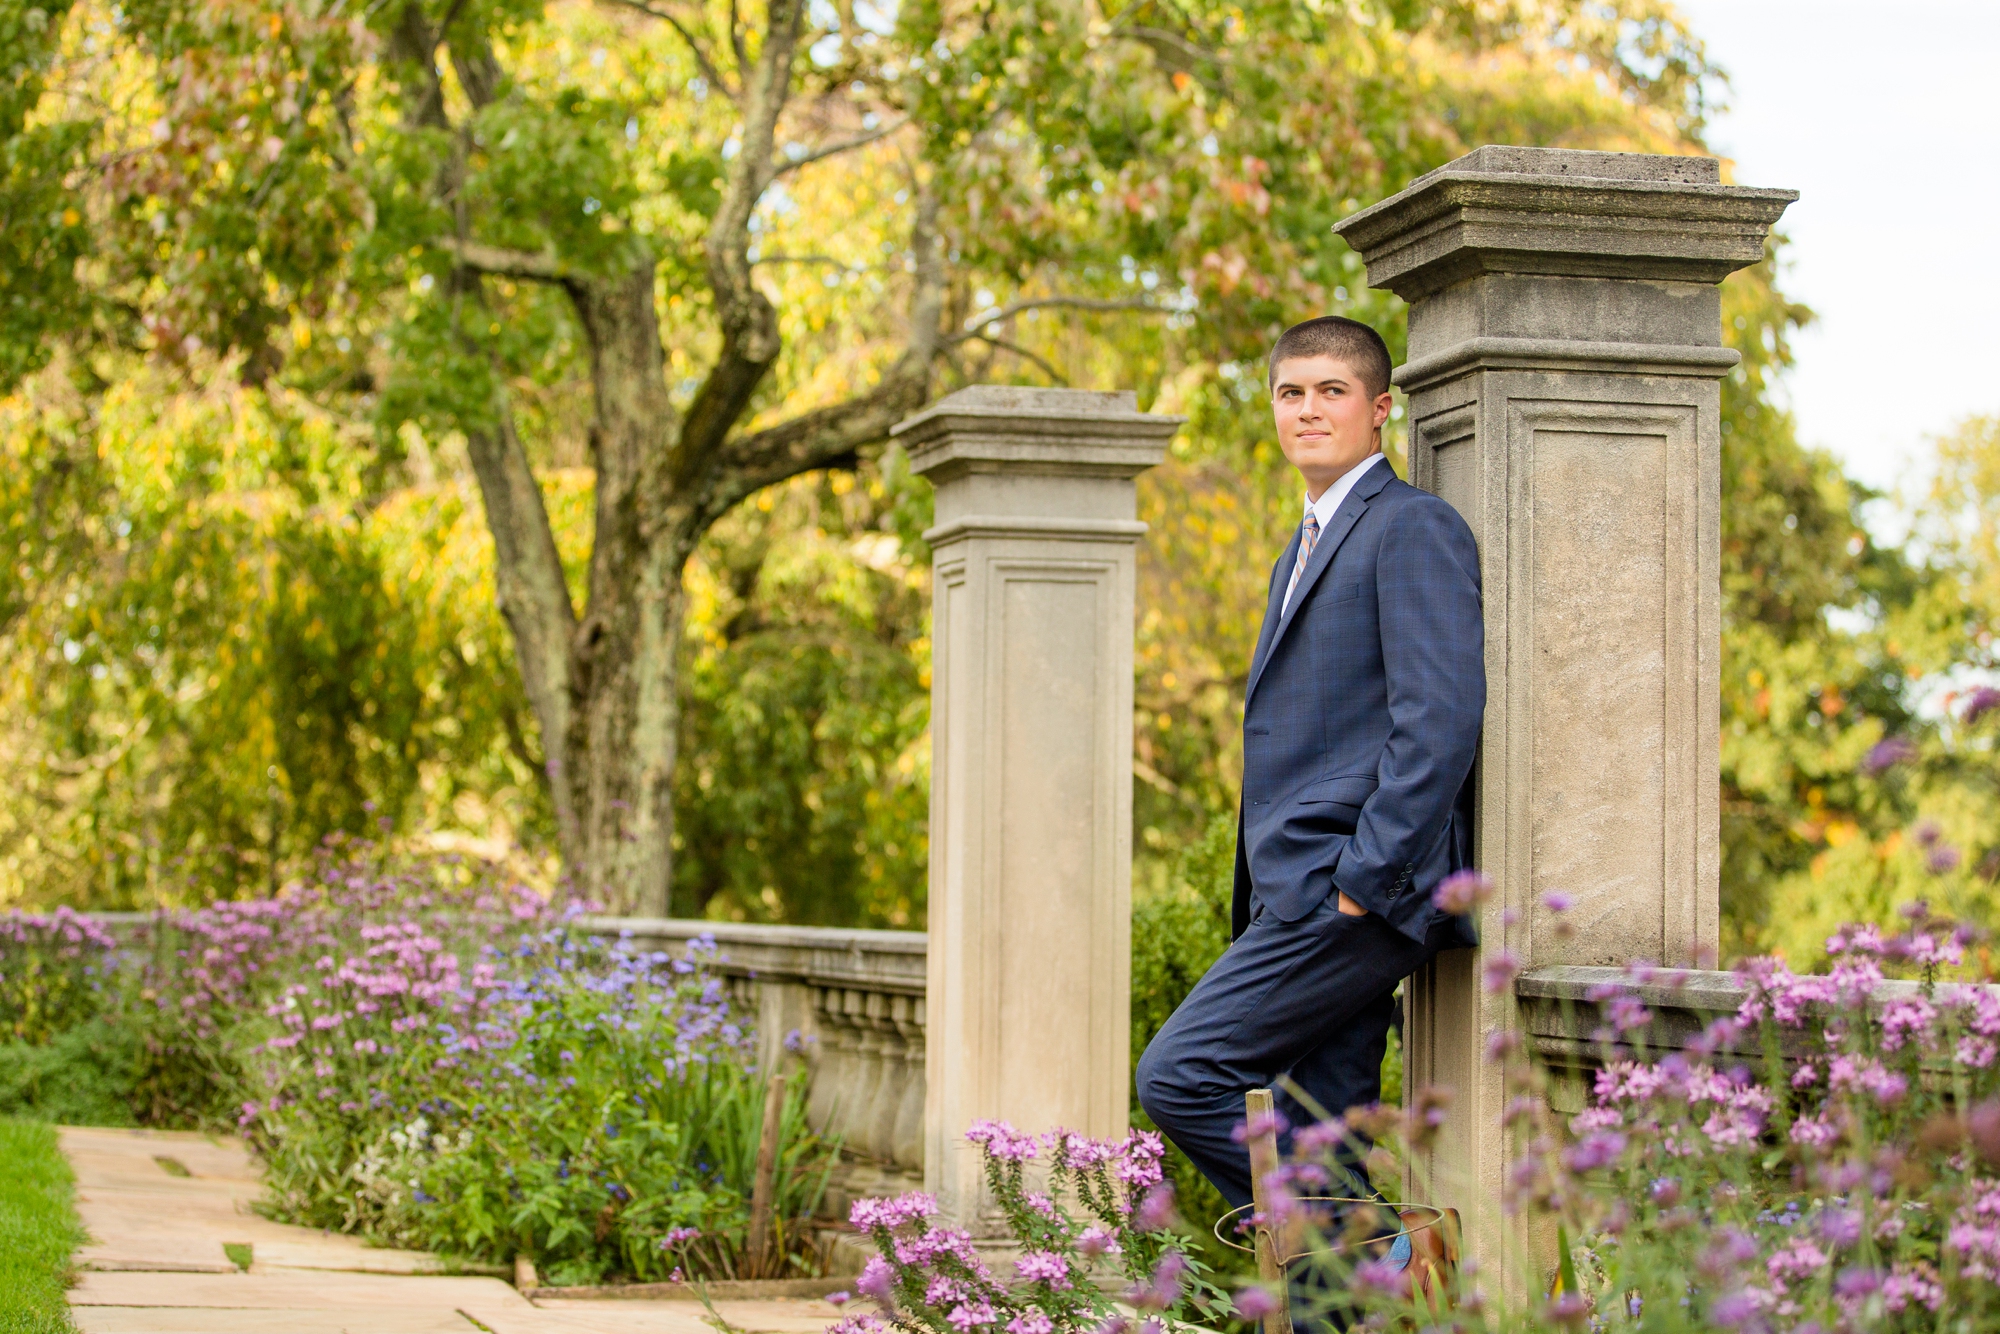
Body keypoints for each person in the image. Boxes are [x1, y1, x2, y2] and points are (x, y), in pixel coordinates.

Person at [1134, 315, 1484, 1317]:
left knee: (1182, 1072)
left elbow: (1441, 717)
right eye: (1290, 393)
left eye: (1330, 390)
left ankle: (1383, 1248)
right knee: (1320, 1124)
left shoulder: (1409, 526)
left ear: (1380, 409)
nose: (1307, 410)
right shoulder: (1306, 541)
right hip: (1305, 885)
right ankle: (1359, 1293)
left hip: (1353, 890)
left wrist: (1360, 879)